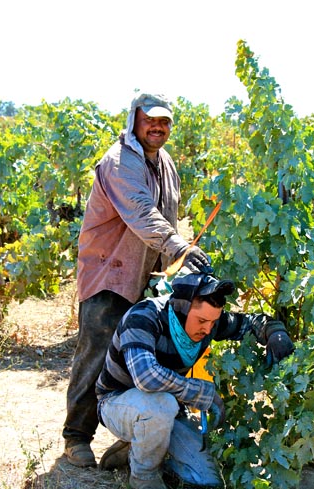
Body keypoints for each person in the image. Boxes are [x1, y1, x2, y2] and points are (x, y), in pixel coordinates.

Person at [63, 93, 212, 468]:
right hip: (109, 274)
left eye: (164, 122)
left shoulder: (166, 164)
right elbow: (142, 212)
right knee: (97, 355)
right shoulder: (118, 162)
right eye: (150, 120)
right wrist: (178, 247)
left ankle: (130, 441)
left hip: (146, 276)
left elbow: (170, 217)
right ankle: (76, 438)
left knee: (139, 361)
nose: (157, 127)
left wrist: (174, 274)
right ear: (135, 121)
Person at [95, 271, 295, 489]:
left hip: (166, 408)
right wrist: (202, 393)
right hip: (116, 402)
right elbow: (146, 377)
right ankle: (144, 475)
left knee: (207, 477)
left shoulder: (208, 322)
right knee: (162, 405)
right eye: (202, 321)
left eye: (213, 322)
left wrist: (273, 331)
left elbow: (249, 323)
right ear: (181, 309)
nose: (208, 329)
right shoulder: (143, 317)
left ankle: (139, 447)